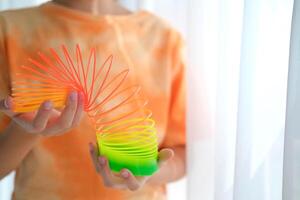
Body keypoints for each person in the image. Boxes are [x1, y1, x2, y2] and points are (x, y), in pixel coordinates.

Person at [0, 0, 186, 199]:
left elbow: (186, 152)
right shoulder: (8, 30)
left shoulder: (164, 39)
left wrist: (150, 172)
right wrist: (26, 131)